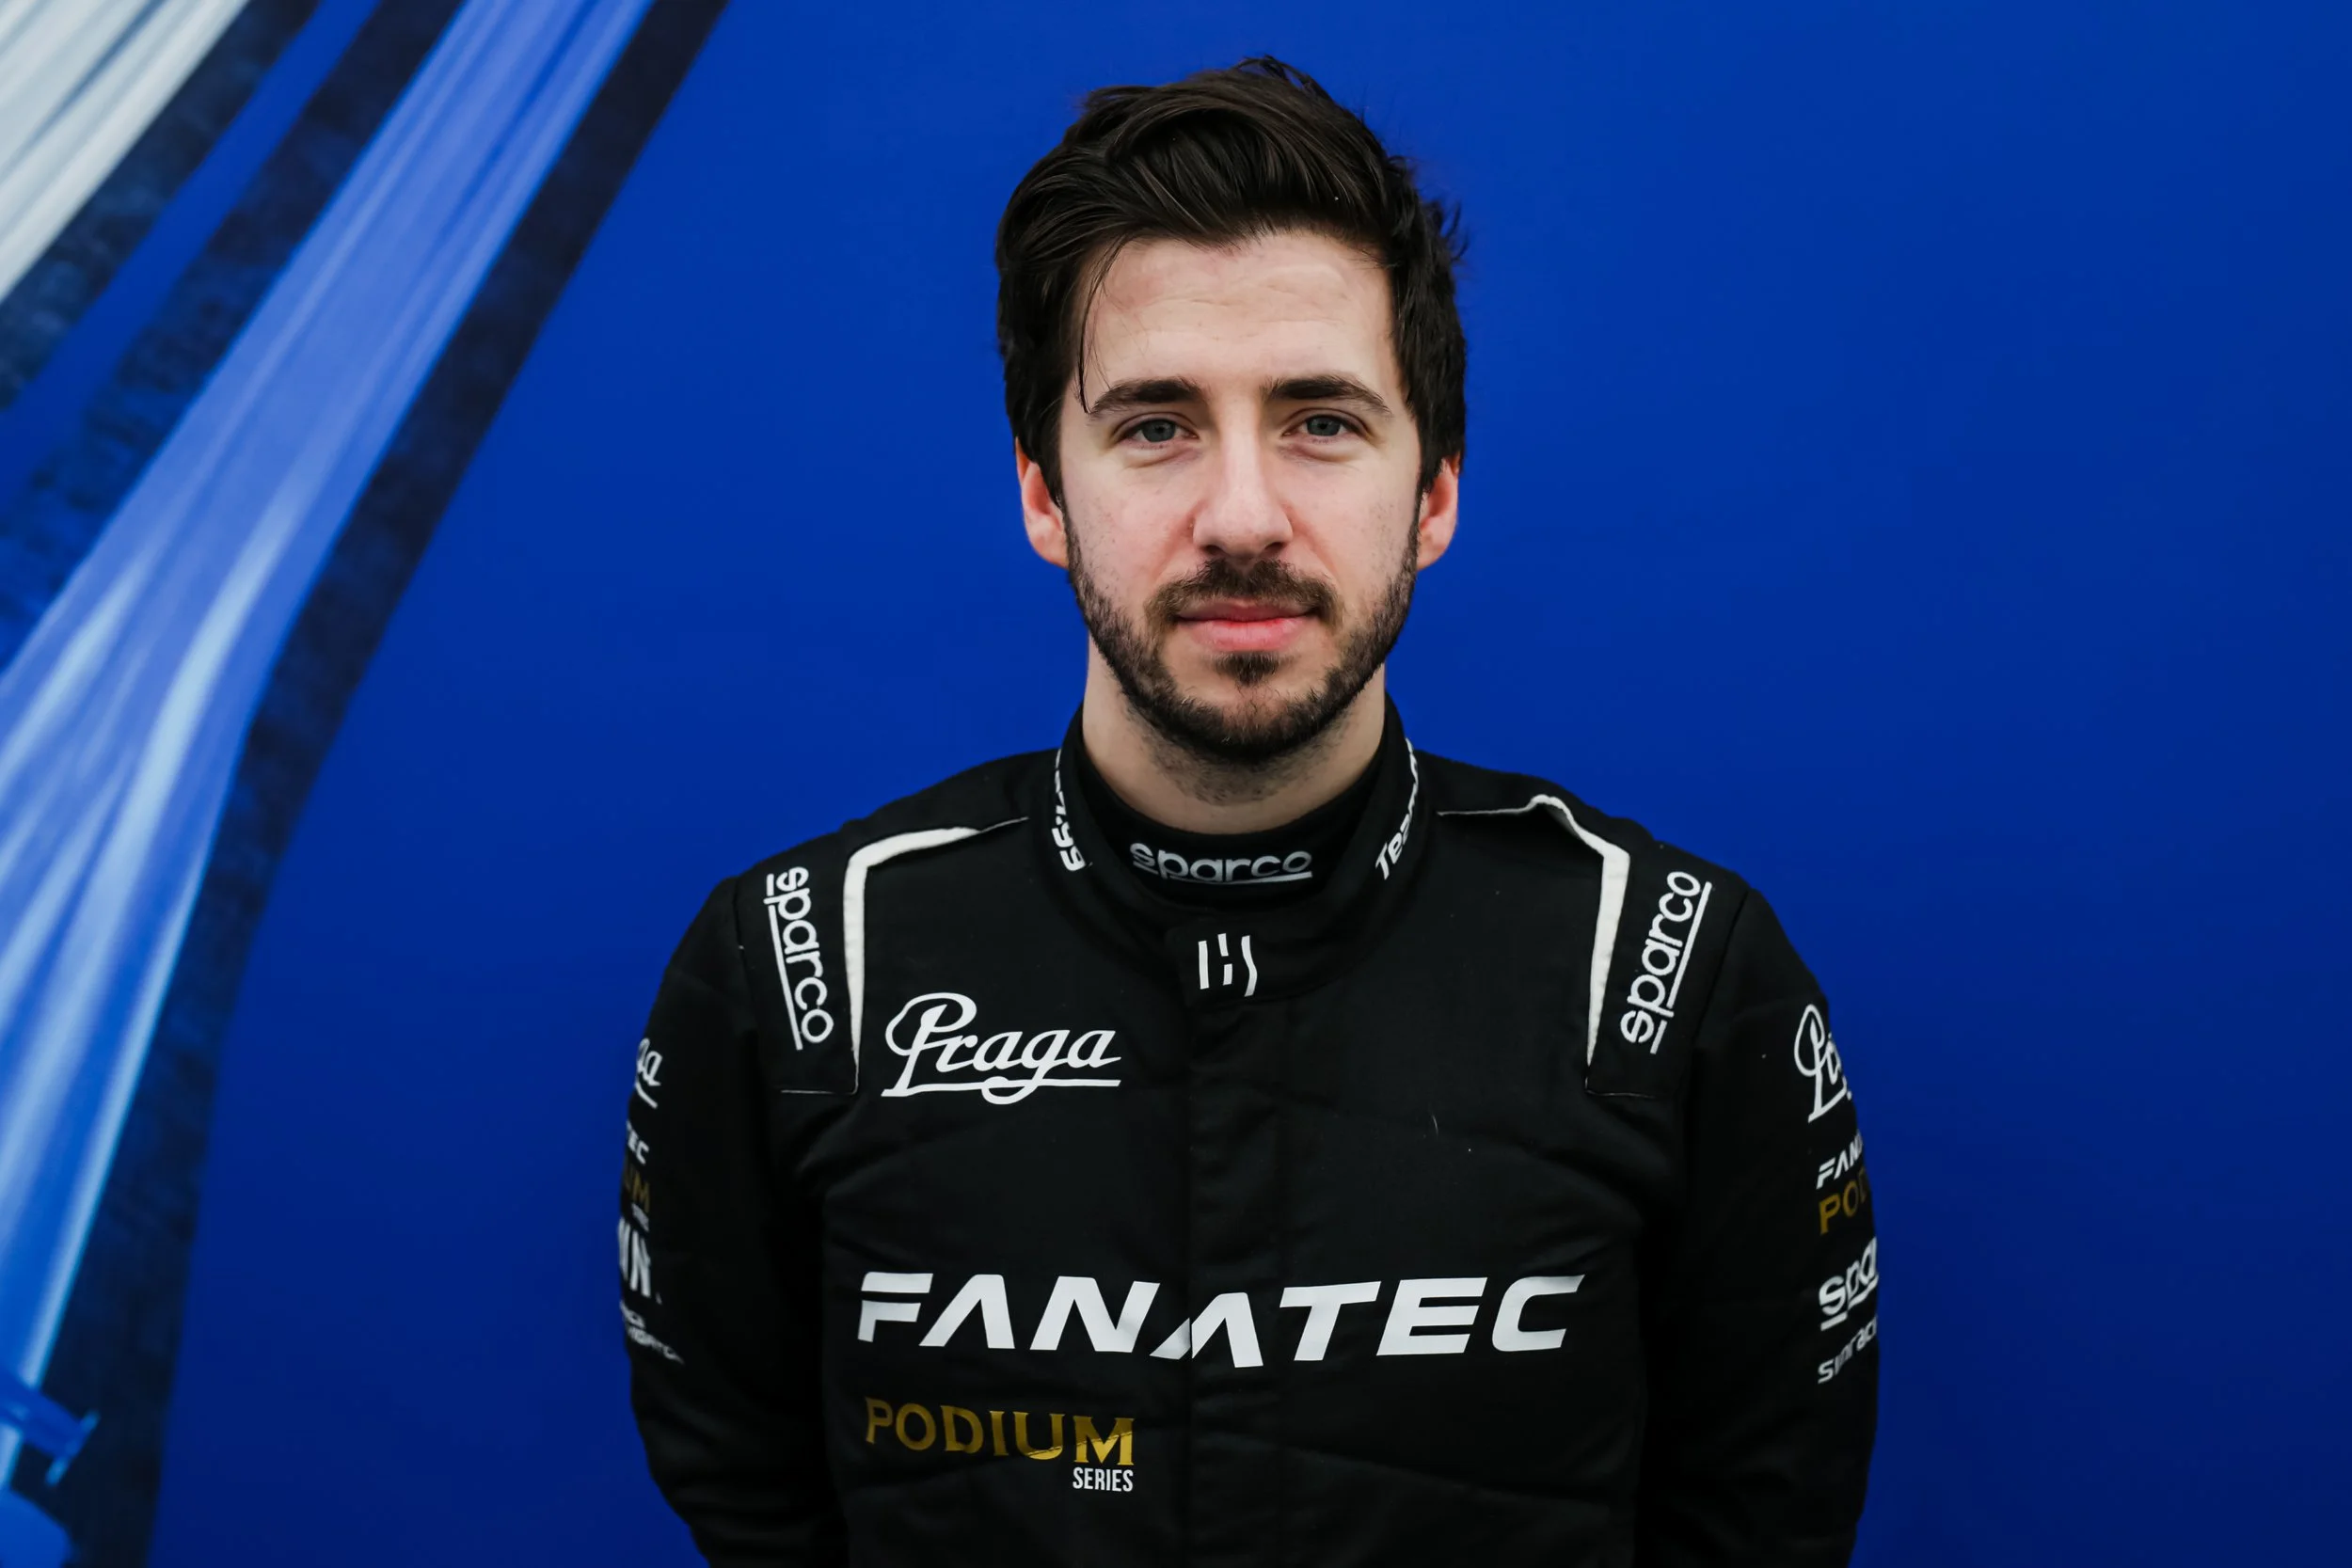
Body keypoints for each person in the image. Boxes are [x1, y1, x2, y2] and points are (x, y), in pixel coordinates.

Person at [619, 56, 1877, 1566]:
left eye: (1320, 421)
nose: (1240, 516)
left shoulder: (1671, 976)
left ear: (1434, 492)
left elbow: (1761, 1516)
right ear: (1043, 491)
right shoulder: (799, 972)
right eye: (1156, 424)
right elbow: (746, 1491)